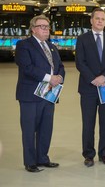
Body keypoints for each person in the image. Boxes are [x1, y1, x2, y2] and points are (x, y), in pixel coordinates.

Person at [15, 14, 65, 173]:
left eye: (47, 27)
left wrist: (59, 77)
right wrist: (50, 78)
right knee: (29, 129)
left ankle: (43, 158)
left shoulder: (52, 46)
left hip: (49, 94)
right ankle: (30, 162)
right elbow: (27, 67)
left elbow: (60, 66)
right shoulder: (24, 45)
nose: (46, 30)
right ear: (33, 29)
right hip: (30, 95)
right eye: (42, 27)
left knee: (46, 128)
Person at [75, 8, 105, 167]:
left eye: (103, 19)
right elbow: (80, 63)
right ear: (91, 20)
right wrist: (93, 79)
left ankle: (104, 154)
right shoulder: (82, 39)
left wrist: (104, 77)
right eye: (97, 18)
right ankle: (88, 155)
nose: (100, 21)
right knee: (88, 123)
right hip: (88, 88)